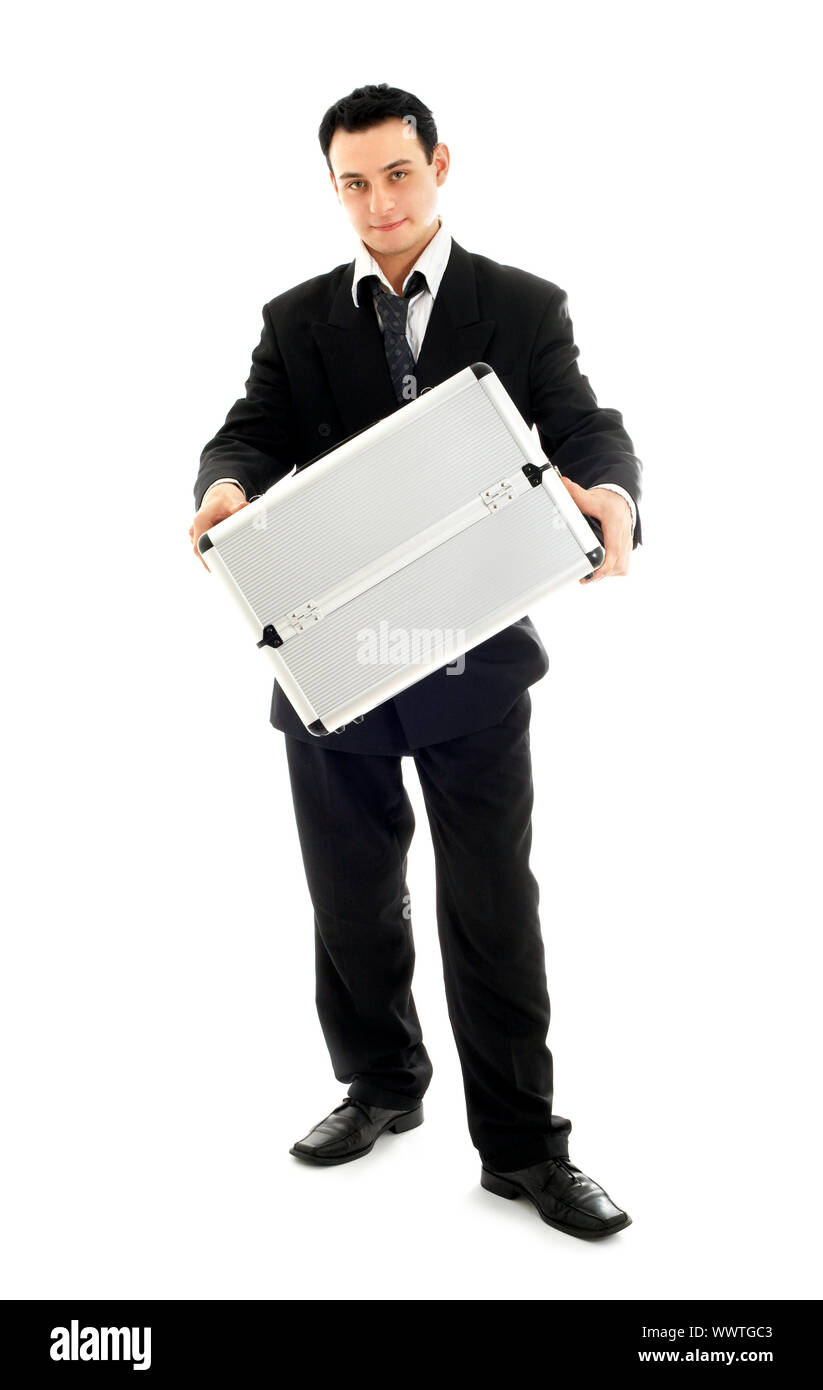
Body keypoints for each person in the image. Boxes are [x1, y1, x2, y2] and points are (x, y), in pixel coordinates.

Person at [189, 83, 642, 1240]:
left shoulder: (521, 304)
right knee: (350, 901)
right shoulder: (297, 318)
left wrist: (610, 489)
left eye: (398, 173)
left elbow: (580, 419)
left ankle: (525, 1148)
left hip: (470, 665)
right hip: (332, 661)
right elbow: (253, 427)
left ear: (440, 164)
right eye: (353, 181)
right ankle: (380, 1087)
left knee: (492, 906)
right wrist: (226, 487)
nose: (378, 201)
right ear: (331, 187)